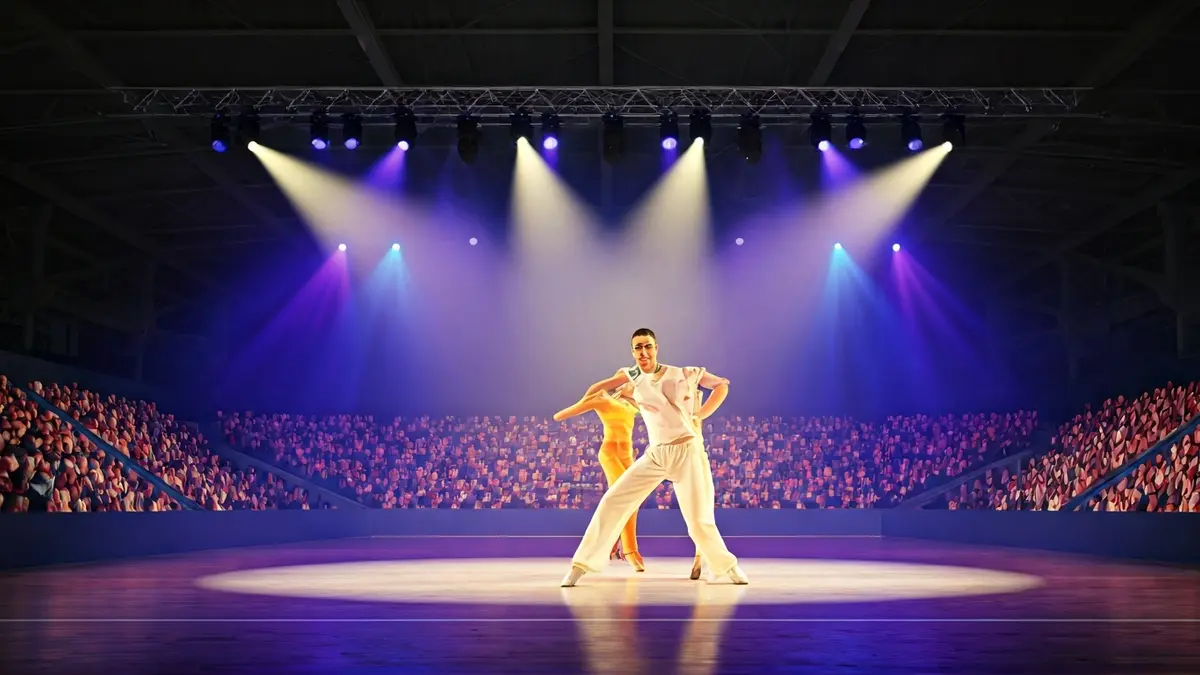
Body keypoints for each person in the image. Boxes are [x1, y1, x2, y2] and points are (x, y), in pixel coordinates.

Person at [561, 328, 748, 587]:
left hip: (687, 452)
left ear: (656, 347)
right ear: (632, 351)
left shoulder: (684, 373)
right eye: (638, 347)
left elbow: (721, 385)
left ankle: (728, 566)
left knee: (698, 519)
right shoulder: (632, 376)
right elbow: (597, 387)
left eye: (647, 346)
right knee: (613, 500)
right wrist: (585, 399)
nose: (643, 352)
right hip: (657, 454)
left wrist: (700, 415)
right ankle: (581, 565)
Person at [553, 384, 646, 571]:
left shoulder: (633, 405)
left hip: (627, 455)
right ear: (618, 384)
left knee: (633, 501)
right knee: (624, 499)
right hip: (610, 453)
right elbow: (560, 415)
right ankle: (629, 550)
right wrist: (590, 398)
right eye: (628, 381)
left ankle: (616, 545)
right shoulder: (603, 399)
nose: (634, 385)